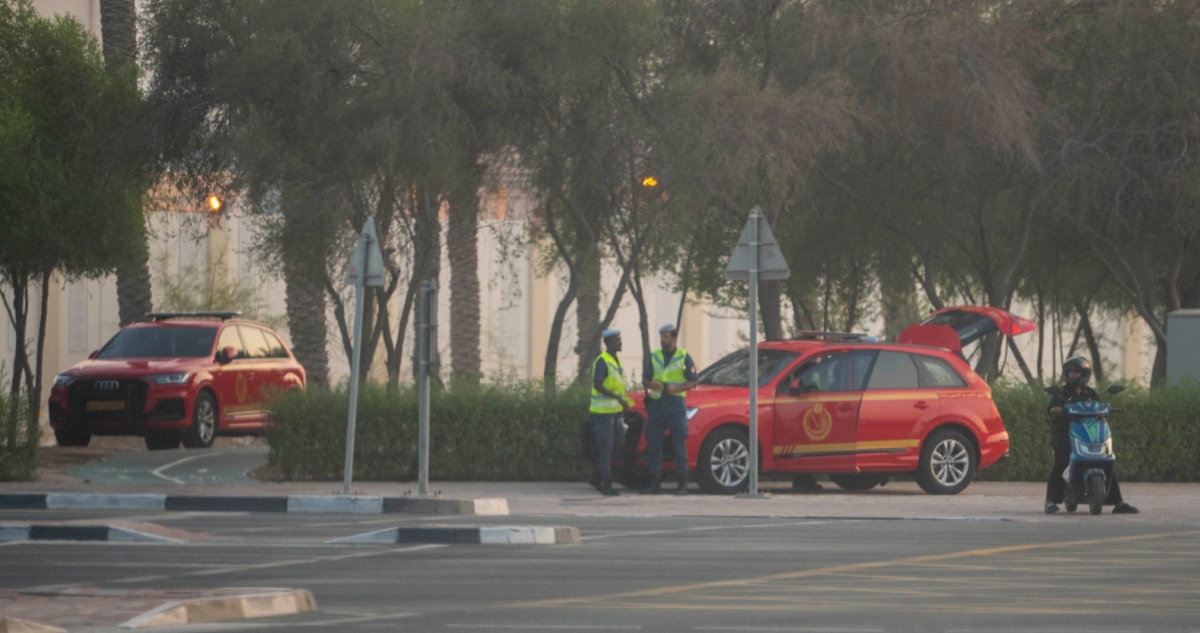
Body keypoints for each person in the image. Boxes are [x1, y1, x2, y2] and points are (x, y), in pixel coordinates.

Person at [1044, 356, 1139, 515]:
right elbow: (1052, 408)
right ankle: (1050, 501)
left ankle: (1119, 503)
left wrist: (1103, 415)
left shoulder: (1091, 393)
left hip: (1089, 431)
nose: (1072, 375)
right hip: (1065, 432)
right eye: (1070, 372)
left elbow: (1100, 412)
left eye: (1076, 373)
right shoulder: (1062, 392)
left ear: (1085, 374)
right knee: (1061, 458)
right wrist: (1057, 409)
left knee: (1105, 459)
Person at [641, 323, 698, 495]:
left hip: (675, 406)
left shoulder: (683, 356)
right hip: (657, 406)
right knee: (654, 445)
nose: (662, 340)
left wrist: (676, 389)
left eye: (665, 337)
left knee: (678, 445)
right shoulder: (655, 356)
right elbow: (645, 379)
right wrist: (652, 385)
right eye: (661, 337)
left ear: (673, 338)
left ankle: (682, 485)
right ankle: (654, 484)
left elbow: (693, 381)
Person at [589, 329, 631, 496]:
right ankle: (606, 484)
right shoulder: (602, 361)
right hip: (602, 412)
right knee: (607, 448)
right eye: (616, 340)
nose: (620, 343)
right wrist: (618, 398)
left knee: (618, 446)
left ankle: (595, 477)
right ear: (607, 343)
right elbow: (598, 384)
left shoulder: (616, 360)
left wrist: (623, 402)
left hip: (615, 412)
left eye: (620, 339)